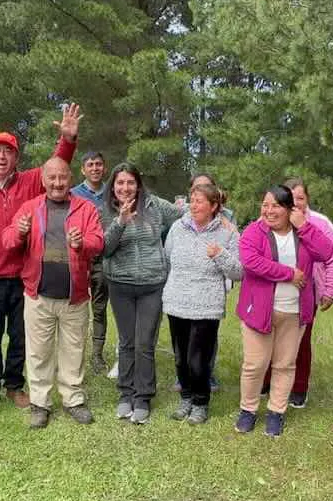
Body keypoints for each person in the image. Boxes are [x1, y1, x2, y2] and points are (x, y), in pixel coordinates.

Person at [0, 104, 83, 416]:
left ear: (16, 158)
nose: (2, 157)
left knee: (20, 336)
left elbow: (57, 169)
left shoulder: (29, 182)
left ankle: (14, 385)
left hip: (24, 277)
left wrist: (67, 139)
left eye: (8, 152)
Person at [2, 157, 104, 428]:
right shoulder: (30, 207)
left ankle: (73, 399)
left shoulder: (86, 207)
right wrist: (20, 233)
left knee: (73, 349)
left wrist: (82, 243)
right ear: (44, 180)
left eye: (62, 177)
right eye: (52, 178)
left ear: (70, 178)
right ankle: (40, 403)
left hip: (75, 295)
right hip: (39, 294)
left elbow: (98, 241)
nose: (57, 183)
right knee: (39, 352)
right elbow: (7, 239)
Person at [235, 185, 333, 437]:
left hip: (294, 311)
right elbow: (250, 261)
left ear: (290, 209)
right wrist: (289, 274)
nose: (268, 211)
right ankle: (248, 409)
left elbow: (326, 252)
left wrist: (305, 227)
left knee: (285, 364)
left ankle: (276, 412)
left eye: (275, 206)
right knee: (255, 364)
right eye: (265, 205)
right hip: (259, 310)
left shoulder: (304, 232)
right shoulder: (254, 232)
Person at [101, 162, 182, 424]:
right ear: (113, 185)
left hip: (152, 284)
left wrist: (223, 215)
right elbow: (105, 248)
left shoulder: (154, 206)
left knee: (144, 342)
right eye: (120, 183)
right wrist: (120, 222)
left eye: (130, 182)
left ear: (138, 184)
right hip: (120, 284)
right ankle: (126, 394)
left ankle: (143, 397)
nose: (125, 188)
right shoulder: (104, 210)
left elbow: (186, 214)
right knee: (127, 342)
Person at [162, 182, 242, 424]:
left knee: (198, 359)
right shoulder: (178, 227)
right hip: (177, 302)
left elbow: (238, 272)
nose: (193, 205)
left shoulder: (227, 233)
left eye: (199, 201)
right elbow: (168, 258)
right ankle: (185, 397)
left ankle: (200, 402)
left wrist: (220, 254)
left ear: (214, 206)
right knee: (180, 357)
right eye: (192, 200)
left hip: (206, 306)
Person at [280, 177, 333, 409]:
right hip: (276, 288)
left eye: (300, 198)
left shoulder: (319, 223)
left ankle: (299, 387)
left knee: (300, 339)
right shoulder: (271, 217)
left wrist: (331, 289)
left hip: (307, 289)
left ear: (307, 200)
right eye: (290, 197)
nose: (295, 202)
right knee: (271, 336)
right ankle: (268, 382)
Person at [70, 150, 110, 375]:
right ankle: (73, 353)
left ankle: (97, 354)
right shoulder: (73, 194)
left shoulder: (111, 193)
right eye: (90, 165)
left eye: (98, 164)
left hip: (104, 260)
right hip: (78, 258)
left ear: (103, 168)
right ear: (83, 169)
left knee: (99, 307)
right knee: (74, 308)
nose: (94, 168)